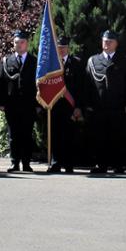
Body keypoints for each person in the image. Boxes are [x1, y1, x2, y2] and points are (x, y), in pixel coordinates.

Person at [85, 31, 126, 175]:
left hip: (117, 106)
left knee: (117, 137)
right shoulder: (93, 60)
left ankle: (118, 165)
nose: (106, 44)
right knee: (99, 137)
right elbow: (88, 84)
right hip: (99, 106)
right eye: (105, 41)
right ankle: (100, 164)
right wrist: (88, 103)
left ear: (116, 44)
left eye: (110, 41)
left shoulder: (124, 61)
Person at [0, 30, 38, 172]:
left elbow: (40, 84)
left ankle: (26, 163)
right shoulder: (6, 60)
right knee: (13, 135)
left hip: (29, 105)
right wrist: (0, 103)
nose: (19, 45)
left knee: (27, 135)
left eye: (22, 42)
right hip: (12, 105)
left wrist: (38, 105)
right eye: (16, 42)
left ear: (27, 43)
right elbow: (1, 83)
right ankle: (14, 162)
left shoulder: (35, 61)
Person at [49, 37, 88, 174]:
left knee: (69, 136)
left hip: (70, 107)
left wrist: (78, 107)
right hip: (54, 106)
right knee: (55, 135)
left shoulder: (76, 63)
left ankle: (69, 164)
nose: (61, 49)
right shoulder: (50, 64)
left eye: (64, 47)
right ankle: (55, 163)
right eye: (59, 47)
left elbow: (82, 88)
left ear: (68, 48)